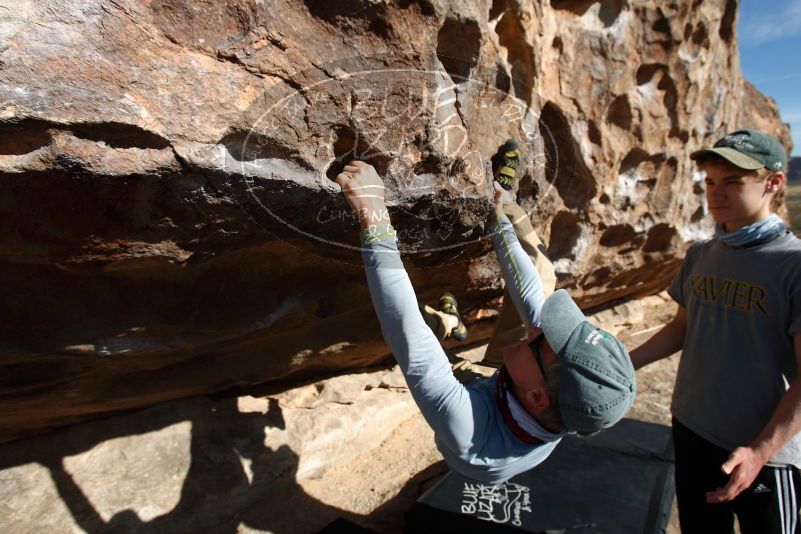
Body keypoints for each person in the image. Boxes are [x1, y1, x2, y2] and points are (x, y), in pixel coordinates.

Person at [334, 145, 636, 484]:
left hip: (476, 398)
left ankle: (445, 323)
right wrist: (497, 219)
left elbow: (407, 335)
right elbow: (530, 295)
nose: (535, 330)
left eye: (544, 339)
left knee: (422, 333)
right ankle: (502, 200)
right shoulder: (551, 386)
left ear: (537, 395)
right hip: (512, 391)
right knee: (542, 274)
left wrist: (374, 216)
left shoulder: (471, 434)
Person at [629, 129, 801, 533]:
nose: (716, 194)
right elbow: (680, 330)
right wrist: (619, 363)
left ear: (773, 183)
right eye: (710, 183)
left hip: (763, 451)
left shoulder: (793, 266)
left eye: (733, 182)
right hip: (690, 429)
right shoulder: (702, 255)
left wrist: (761, 451)